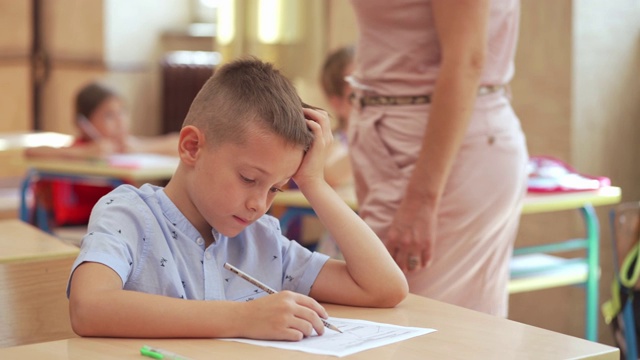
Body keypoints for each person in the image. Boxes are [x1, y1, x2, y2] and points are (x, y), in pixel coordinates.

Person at [66, 58, 408, 340]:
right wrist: (242, 318)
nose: (259, 204)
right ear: (192, 147)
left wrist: (314, 183)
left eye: (276, 188)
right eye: (249, 179)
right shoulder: (128, 215)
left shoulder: (261, 240)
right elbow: (88, 308)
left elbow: (385, 288)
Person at [347, 0, 529, 317]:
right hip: (393, 139)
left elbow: (467, 60)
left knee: (407, 324)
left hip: (438, 153)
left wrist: (422, 198)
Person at [25, 82, 179, 227]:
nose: (120, 121)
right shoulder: (82, 148)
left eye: (122, 112)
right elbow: (31, 152)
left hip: (122, 220)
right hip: (89, 224)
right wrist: (86, 152)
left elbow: (179, 143)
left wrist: (141, 147)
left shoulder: (127, 145)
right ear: (84, 124)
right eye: (109, 116)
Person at [315, 45, 356, 259]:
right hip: (344, 244)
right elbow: (331, 175)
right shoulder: (334, 142)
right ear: (338, 102)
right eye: (357, 92)